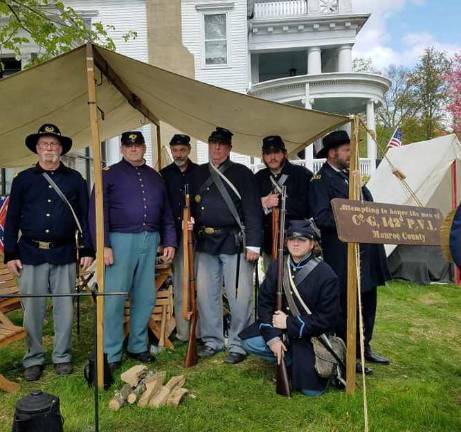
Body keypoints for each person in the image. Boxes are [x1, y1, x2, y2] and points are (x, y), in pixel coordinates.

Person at [4, 123, 94, 381]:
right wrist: (10, 253)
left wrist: (88, 247)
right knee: (33, 308)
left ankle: (62, 356)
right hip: (30, 253)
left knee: (64, 307)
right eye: (44, 144)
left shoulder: (75, 179)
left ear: (61, 148)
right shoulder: (23, 180)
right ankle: (33, 358)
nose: (49, 149)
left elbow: (86, 217)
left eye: (53, 144)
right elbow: (11, 220)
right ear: (37, 149)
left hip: (64, 252)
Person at [89, 131, 176, 372]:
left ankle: (138, 346)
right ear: (122, 149)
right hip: (119, 241)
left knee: (145, 296)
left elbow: (166, 211)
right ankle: (111, 350)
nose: (133, 149)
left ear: (144, 147)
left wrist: (169, 240)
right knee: (115, 298)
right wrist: (103, 244)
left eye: (137, 145)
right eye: (129, 146)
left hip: (150, 241)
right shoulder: (109, 175)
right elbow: (97, 212)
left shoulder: (155, 177)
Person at [309, 130, 391, 373]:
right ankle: (349, 353)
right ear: (332, 153)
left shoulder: (351, 176)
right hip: (343, 254)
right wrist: (354, 219)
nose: (351, 154)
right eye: (347, 150)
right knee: (346, 307)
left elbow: (368, 205)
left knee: (368, 301)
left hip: (367, 252)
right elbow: (322, 217)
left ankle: (365, 347)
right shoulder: (320, 181)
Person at [240, 220, 339, 396]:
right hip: (281, 331)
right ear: (286, 242)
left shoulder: (326, 275)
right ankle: (285, 358)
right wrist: (273, 339)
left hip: (309, 336)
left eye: (302, 239)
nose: (296, 243)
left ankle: (291, 364)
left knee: (311, 392)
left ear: (312, 244)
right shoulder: (278, 266)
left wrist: (289, 322)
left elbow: (326, 319)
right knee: (249, 342)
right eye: (292, 238)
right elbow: (264, 303)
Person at [191, 127, 263, 364]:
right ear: (209, 146)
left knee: (239, 296)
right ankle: (212, 340)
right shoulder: (198, 173)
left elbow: (253, 210)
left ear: (229, 148)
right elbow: (189, 207)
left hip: (234, 242)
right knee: (206, 295)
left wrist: (254, 244)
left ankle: (239, 343)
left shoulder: (242, 174)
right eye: (213, 144)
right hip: (205, 242)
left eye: (222, 144)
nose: (217, 148)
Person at [160, 134, 198, 344]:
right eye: (175, 150)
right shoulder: (163, 175)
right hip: (175, 236)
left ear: (189, 150)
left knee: (200, 284)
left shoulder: (200, 172)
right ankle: (184, 332)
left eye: (182, 150)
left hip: (199, 236)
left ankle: (200, 330)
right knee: (182, 283)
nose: (178, 154)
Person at [255, 135, 313, 268]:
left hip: (298, 239)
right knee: (272, 281)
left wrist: (282, 202)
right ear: (263, 156)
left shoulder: (302, 175)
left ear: (285, 153)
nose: (272, 157)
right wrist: (263, 203)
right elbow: (250, 210)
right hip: (270, 243)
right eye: (268, 153)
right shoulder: (258, 178)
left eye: (276, 152)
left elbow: (308, 208)